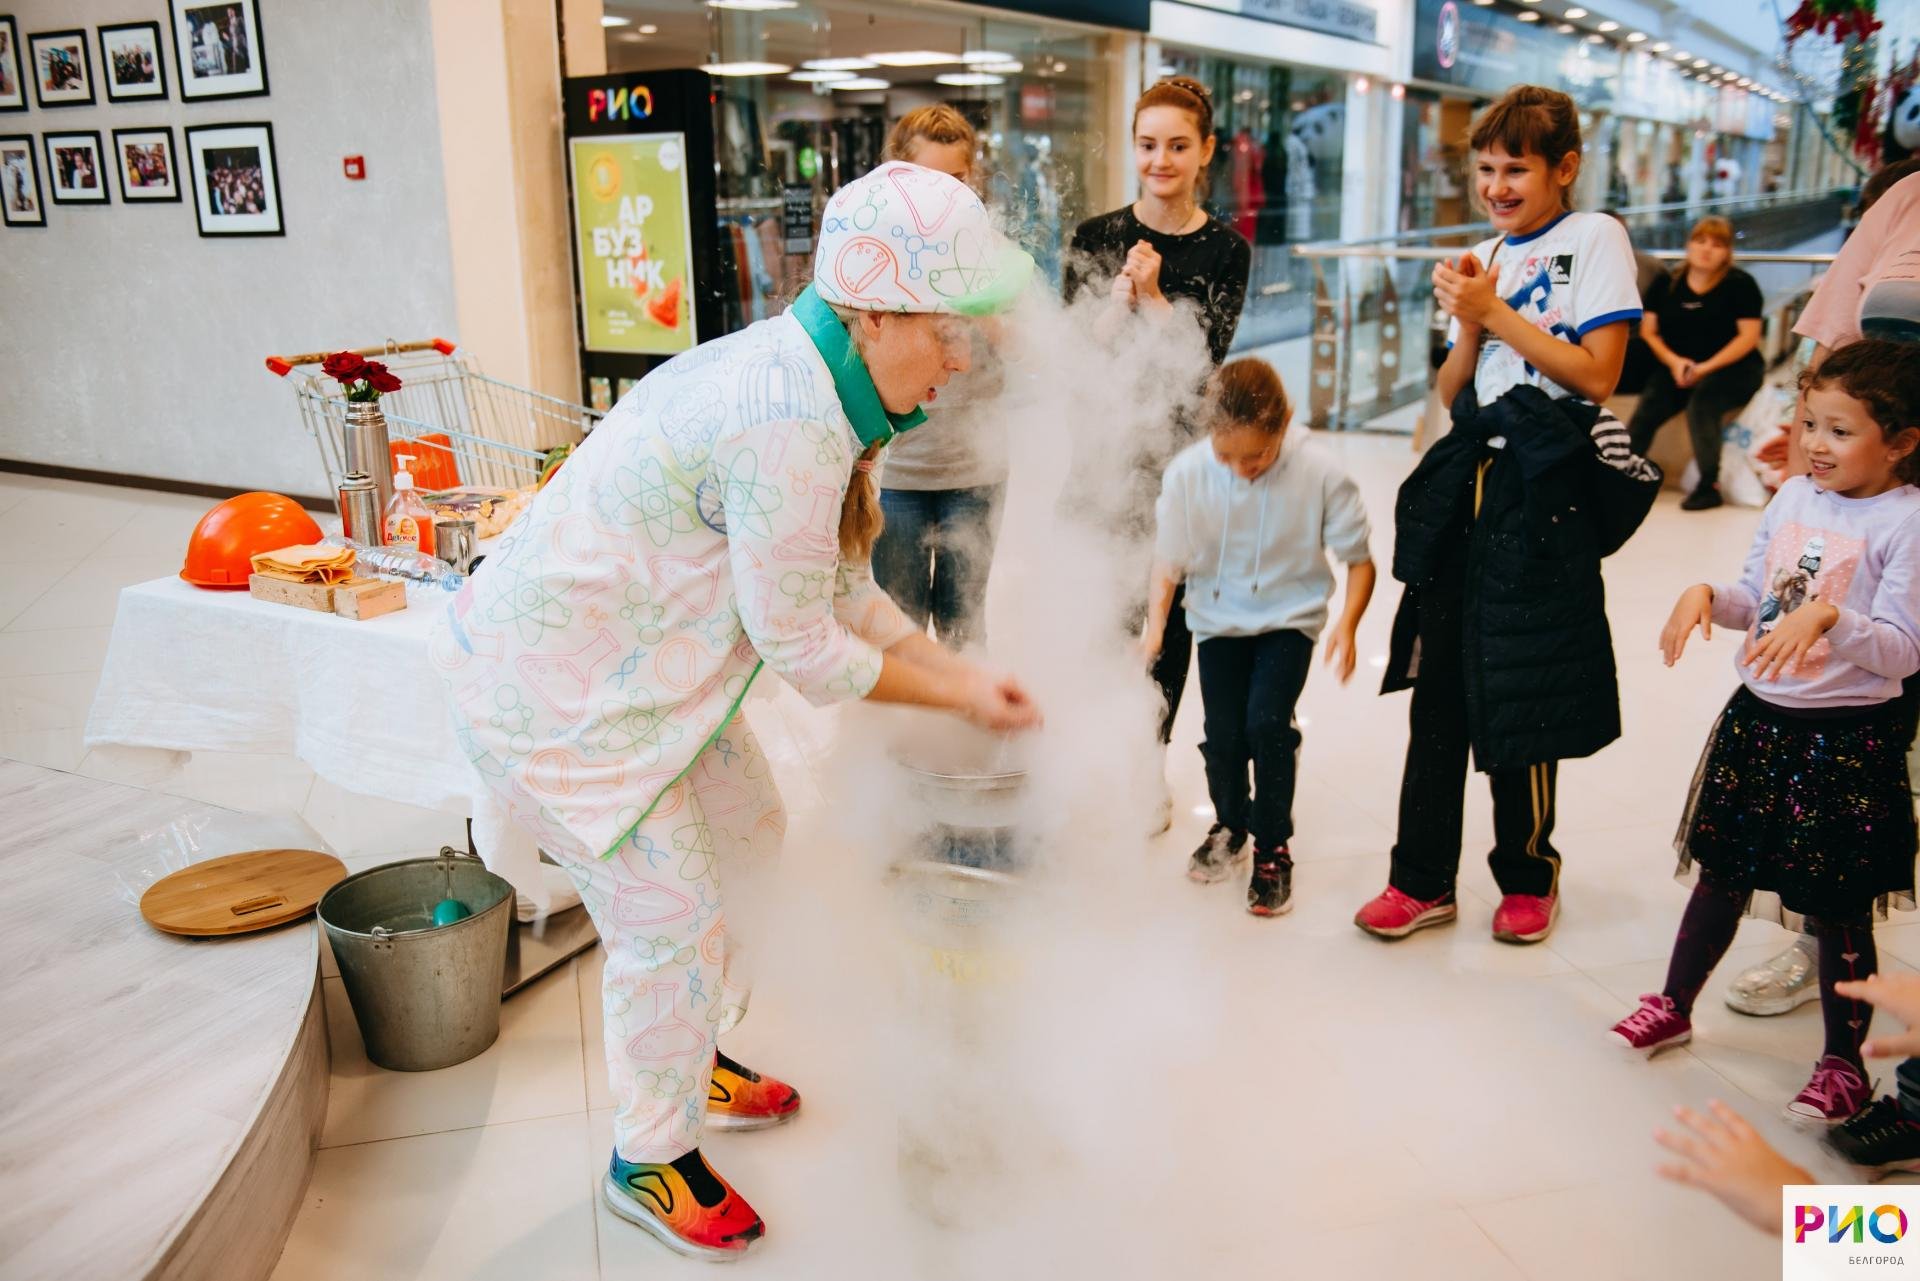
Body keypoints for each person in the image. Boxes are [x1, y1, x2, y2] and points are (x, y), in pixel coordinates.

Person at [432, 162, 1041, 1261]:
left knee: (753, 835)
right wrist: (954, 693)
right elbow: (803, 646)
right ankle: (648, 1156)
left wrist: (952, 671)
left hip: (636, 680)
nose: (961, 359)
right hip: (556, 699)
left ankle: (689, 1048)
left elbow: (841, 587)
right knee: (669, 921)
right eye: (946, 329)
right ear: (871, 313)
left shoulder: (822, 386)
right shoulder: (788, 415)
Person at [1354, 84, 1659, 945]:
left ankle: (1528, 875)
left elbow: (1598, 374)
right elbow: (1454, 395)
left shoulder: (1593, 237)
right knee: (1439, 690)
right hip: (1471, 480)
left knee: (1523, 681)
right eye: (1485, 168)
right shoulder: (1485, 252)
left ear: (1564, 168)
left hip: (1542, 487)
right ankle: (1420, 879)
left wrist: (1493, 311)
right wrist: (1468, 325)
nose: (1496, 185)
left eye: (1515, 169)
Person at [1609, 340, 1920, 1123]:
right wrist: (1706, 594)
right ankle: (1674, 1002)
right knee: (1721, 870)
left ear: (1902, 442)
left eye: (1840, 430)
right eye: (1810, 422)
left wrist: (1831, 617)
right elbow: (1759, 595)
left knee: (1838, 904)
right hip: (1760, 723)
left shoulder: (1906, 521)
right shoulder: (1793, 498)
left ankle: (1843, 1065)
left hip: (1846, 740)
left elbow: (1903, 649)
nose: (1816, 443)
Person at [1722, 166, 1920, 1026]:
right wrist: (1817, 434)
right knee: (1860, 748)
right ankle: (1824, 941)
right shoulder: (1905, 199)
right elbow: (1832, 347)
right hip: (1885, 496)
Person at [1063, 75, 1252, 832]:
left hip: (1179, 468)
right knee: (1095, 615)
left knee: (1165, 628)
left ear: (1205, 151)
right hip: (1101, 460)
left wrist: (1154, 298)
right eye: (1148, 145)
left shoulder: (1227, 250)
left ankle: (1148, 767)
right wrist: (1115, 305)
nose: (1160, 160)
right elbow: (1072, 353)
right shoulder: (1095, 236)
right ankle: (1093, 761)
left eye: (1177, 146)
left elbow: (1207, 367)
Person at [1140, 358, 1374, 915]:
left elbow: (1359, 559)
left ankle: (1272, 845)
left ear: (1285, 424)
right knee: (1223, 734)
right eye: (1228, 457)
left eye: (1258, 456)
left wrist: (1347, 624)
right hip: (1217, 619)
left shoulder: (1319, 471)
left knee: (1268, 726)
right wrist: (1156, 627)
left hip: (1289, 619)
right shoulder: (1188, 473)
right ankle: (1230, 825)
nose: (1243, 469)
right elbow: (1168, 561)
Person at [869, 106, 1006, 651]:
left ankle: (967, 710)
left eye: (957, 180)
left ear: (975, 178)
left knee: (964, 631)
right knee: (898, 629)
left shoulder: (1000, 257)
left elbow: (1041, 356)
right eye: (929, 181)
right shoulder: (874, 259)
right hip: (897, 474)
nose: (946, 197)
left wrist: (988, 316)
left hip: (976, 475)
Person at [1625, 216, 1765, 511]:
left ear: (1727, 252)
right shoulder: (1667, 284)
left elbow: (1748, 338)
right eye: (1700, 241)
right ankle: (1624, 473)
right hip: (1679, 367)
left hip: (1733, 368)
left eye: (1717, 244)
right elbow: (1649, 332)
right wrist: (1675, 363)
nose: (1706, 249)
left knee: (1703, 404)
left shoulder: (1740, 285)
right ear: (1689, 245)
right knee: (1649, 406)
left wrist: (1705, 368)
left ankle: (1708, 485)